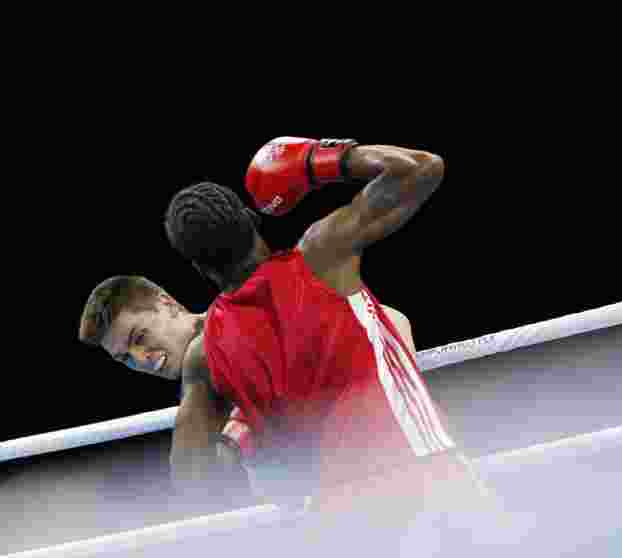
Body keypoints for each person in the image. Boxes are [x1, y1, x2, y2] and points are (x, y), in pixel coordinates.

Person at [163, 137, 484, 526]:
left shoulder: (204, 356)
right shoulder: (321, 255)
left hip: (336, 516)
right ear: (251, 218)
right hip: (419, 469)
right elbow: (422, 167)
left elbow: (191, 479)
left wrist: (247, 441)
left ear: (198, 268)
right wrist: (320, 161)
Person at [78, 274, 418, 504]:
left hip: (385, 478)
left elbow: (388, 320)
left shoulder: (243, 316)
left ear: (166, 304)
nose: (141, 359)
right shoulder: (197, 391)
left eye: (140, 338)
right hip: (320, 513)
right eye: (125, 358)